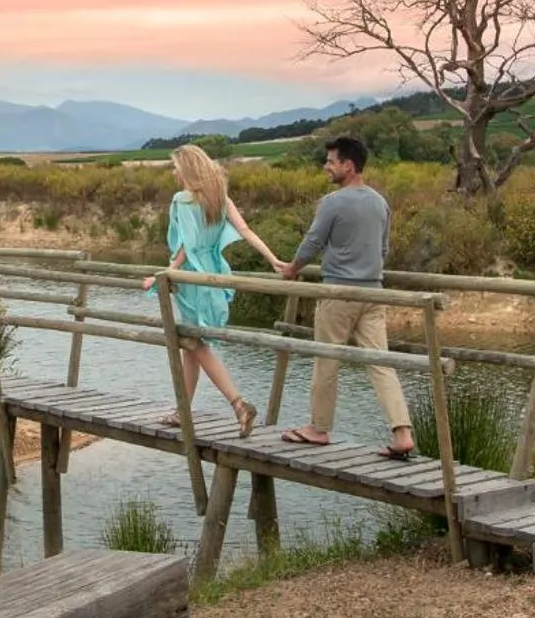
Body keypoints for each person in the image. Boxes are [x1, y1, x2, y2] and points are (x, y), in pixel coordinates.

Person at [139, 143, 285, 438]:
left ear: (187, 169)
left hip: (192, 276)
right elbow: (246, 231)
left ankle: (239, 403)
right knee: (191, 345)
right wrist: (274, 260)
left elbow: (185, 247)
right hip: (214, 274)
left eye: (176, 167)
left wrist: (164, 275)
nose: (173, 172)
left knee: (195, 344)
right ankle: (183, 410)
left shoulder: (183, 200)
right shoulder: (220, 197)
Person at [279, 134, 413, 457]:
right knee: (381, 363)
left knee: (327, 359)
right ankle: (402, 432)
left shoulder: (332, 203)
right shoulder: (380, 202)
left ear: (348, 166)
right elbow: (383, 249)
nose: (326, 167)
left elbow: (312, 242)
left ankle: (318, 428)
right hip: (374, 292)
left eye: (331, 162)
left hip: (338, 292)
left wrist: (292, 268)